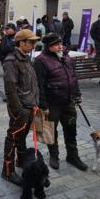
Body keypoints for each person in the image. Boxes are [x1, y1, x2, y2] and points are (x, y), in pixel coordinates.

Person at [34, 33, 88, 171]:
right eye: (57, 44)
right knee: (50, 131)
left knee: (71, 128)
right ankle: (54, 155)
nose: (60, 46)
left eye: (61, 43)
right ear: (49, 46)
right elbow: (39, 85)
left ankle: (73, 156)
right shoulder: (41, 60)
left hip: (68, 100)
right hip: (52, 103)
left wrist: (77, 95)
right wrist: (43, 105)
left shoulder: (66, 56)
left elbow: (73, 77)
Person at [1, 29, 41, 185]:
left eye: (34, 42)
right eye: (31, 42)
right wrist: (19, 110)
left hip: (29, 105)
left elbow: (32, 83)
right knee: (13, 136)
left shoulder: (26, 58)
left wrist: (35, 102)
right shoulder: (11, 61)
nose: (33, 44)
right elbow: (10, 88)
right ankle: (7, 171)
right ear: (21, 43)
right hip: (21, 108)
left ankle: (21, 161)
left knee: (22, 136)